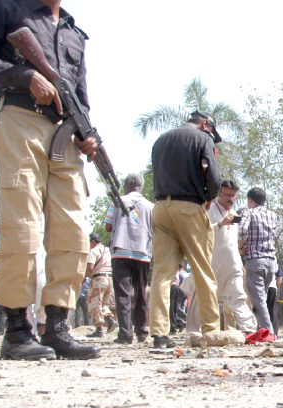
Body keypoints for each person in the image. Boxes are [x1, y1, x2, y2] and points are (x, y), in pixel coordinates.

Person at [0, 0, 100, 360]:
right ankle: (18, 330)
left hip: (64, 135)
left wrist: (88, 135)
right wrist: (25, 76)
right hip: (20, 118)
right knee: (23, 226)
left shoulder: (74, 32)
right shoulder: (6, 7)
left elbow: (80, 95)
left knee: (73, 230)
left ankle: (58, 327)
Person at [149, 110, 222, 349]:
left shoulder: (161, 140)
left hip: (160, 207)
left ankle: (159, 334)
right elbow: (214, 176)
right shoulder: (203, 138)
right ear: (205, 124)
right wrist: (208, 197)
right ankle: (211, 330)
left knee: (161, 273)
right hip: (189, 208)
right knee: (202, 269)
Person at [186, 180, 257, 335]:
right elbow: (199, 233)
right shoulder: (209, 210)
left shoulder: (234, 215)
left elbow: (233, 242)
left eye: (233, 196)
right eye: (228, 195)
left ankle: (250, 330)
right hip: (211, 262)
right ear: (220, 193)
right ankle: (193, 332)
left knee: (238, 295)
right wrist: (219, 224)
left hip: (232, 264)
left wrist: (240, 262)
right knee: (202, 295)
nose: (230, 199)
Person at [104, 173, 154, 344]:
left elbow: (108, 226)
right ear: (140, 185)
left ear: (128, 184)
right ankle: (142, 331)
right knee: (141, 293)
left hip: (121, 251)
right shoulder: (150, 206)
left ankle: (125, 333)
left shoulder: (117, 201)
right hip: (142, 252)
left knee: (123, 293)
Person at [238, 187, 279, 336]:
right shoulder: (272, 215)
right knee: (262, 299)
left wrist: (241, 246)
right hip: (270, 262)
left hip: (255, 260)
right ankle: (262, 331)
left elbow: (242, 230)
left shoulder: (248, 212)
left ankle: (269, 334)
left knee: (259, 301)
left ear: (250, 200)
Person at [85, 232, 115, 338]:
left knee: (94, 304)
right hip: (110, 278)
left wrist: (87, 276)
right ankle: (110, 318)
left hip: (98, 278)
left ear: (92, 241)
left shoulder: (93, 251)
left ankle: (99, 329)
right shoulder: (108, 250)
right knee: (104, 304)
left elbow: (89, 268)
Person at [267, 265, 282, 336]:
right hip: (272, 287)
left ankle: (263, 331)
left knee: (259, 310)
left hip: (261, 288)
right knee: (273, 311)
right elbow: (279, 280)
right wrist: (275, 287)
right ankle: (274, 333)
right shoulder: (274, 262)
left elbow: (279, 279)